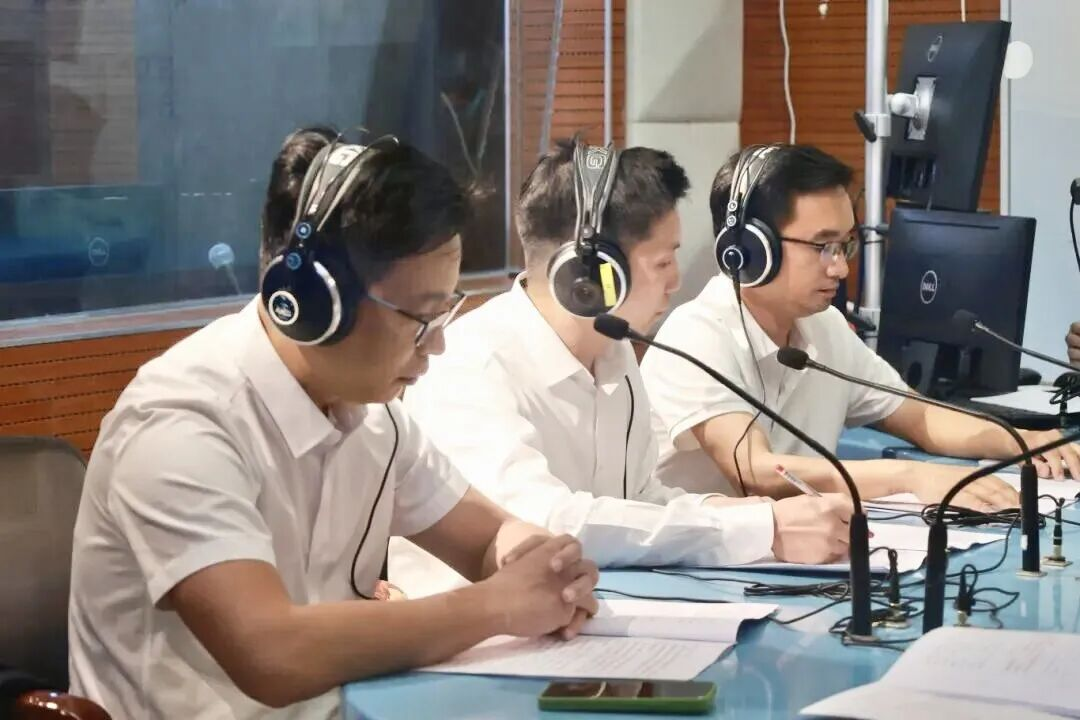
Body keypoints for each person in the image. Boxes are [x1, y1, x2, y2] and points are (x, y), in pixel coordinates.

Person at [67, 127, 598, 719]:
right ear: (315, 302)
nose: (437, 345)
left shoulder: (372, 416)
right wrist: (496, 606)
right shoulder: (180, 425)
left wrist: (539, 562)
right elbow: (271, 653)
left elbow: (485, 538)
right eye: (420, 318)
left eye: (445, 312)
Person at [390, 139, 851, 598]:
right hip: (484, 634)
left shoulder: (614, 353)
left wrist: (745, 513)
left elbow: (641, 501)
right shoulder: (469, 362)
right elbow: (549, 523)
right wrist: (758, 528)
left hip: (596, 610)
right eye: (663, 262)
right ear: (586, 275)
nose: (676, 281)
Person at [641, 143, 1080, 510]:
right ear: (750, 250)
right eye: (822, 246)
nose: (839, 267)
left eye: (844, 245)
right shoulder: (697, 335)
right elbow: (755, 470)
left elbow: (919, 416)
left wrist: (1022, 441)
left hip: (796, 551)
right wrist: (911, 476)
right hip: (690, 569)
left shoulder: (824, 327)